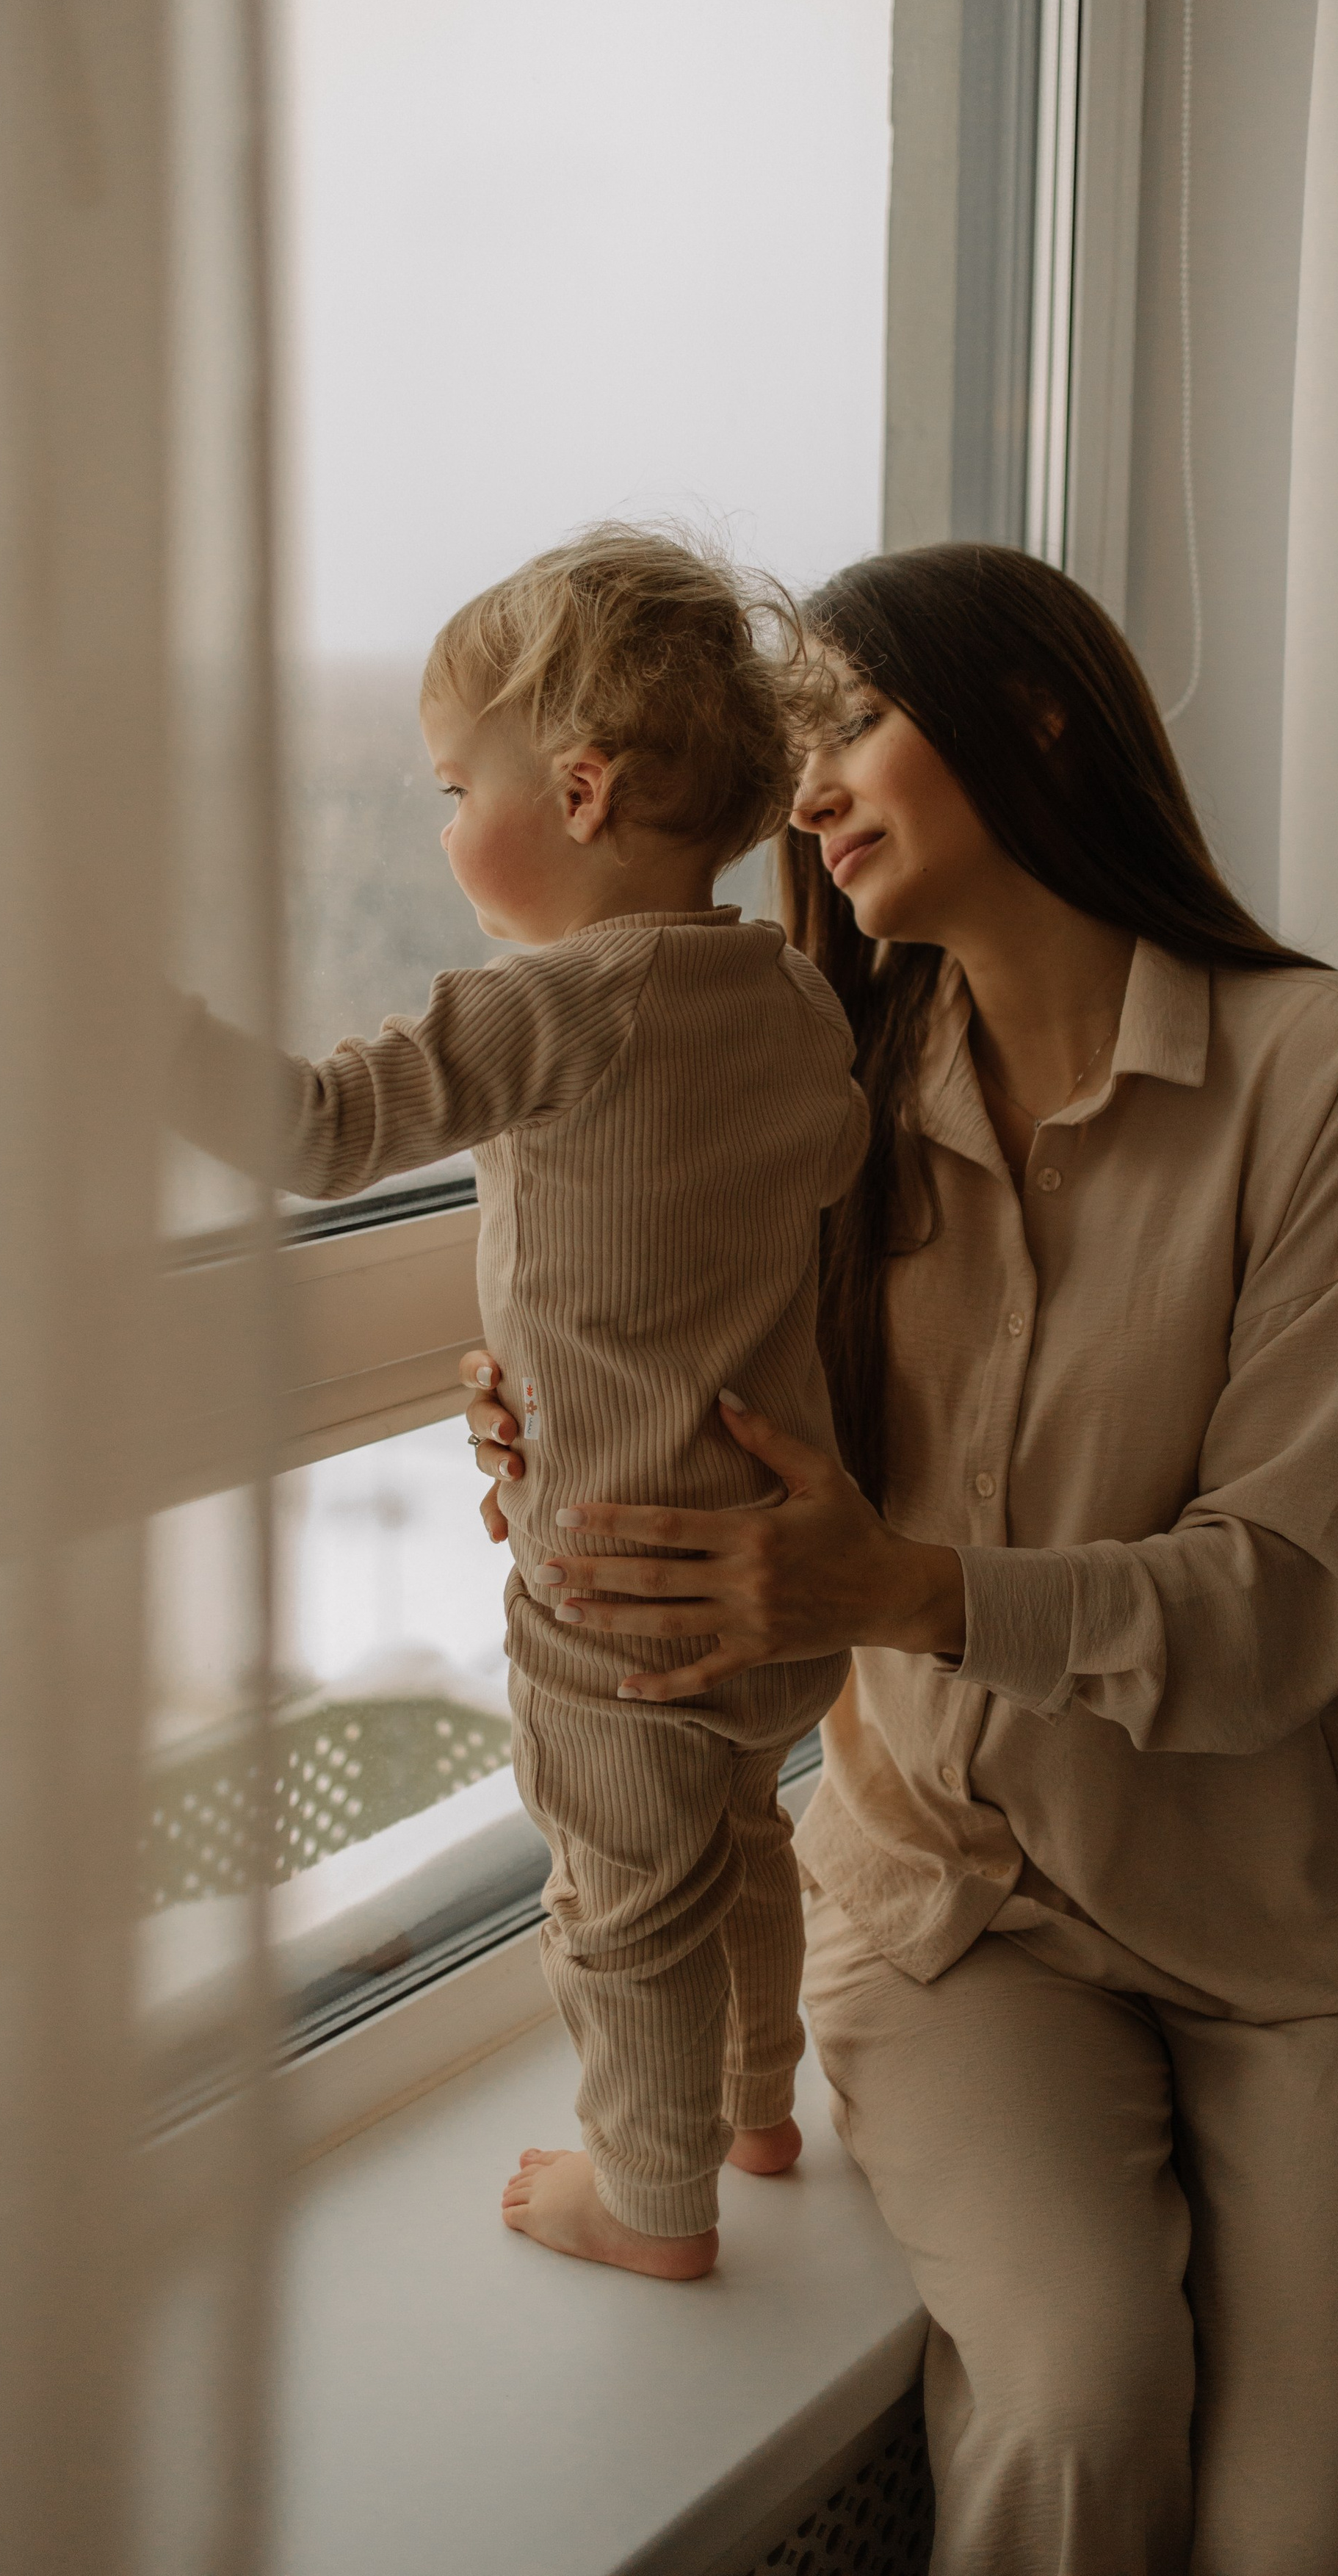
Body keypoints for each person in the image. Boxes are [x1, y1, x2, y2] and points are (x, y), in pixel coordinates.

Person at [462, 541, 1338, 2575]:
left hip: (1301, 1943)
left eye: (850, 724)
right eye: (792, 750)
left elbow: (1279, 1598)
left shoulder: (1326, 1067)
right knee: (1075, 2415)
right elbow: (720, 1404)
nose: (807, 792)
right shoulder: (830, 1090)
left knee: (1309, 2536)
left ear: (1032, 717)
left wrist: (906, 1595)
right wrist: (559, 1418)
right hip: (954, 1912)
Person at [175, 525, 868, 2282]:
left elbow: (327, 1132)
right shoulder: (788, 1002)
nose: (435, 825)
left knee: (622, 1905)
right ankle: (760, 2107)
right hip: (777, 1578)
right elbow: (814, 1175)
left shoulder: (547, 1008)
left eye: (444, 787)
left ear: (573, 789)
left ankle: (646, 2200)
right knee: (744, 1835)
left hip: (613, 1590)